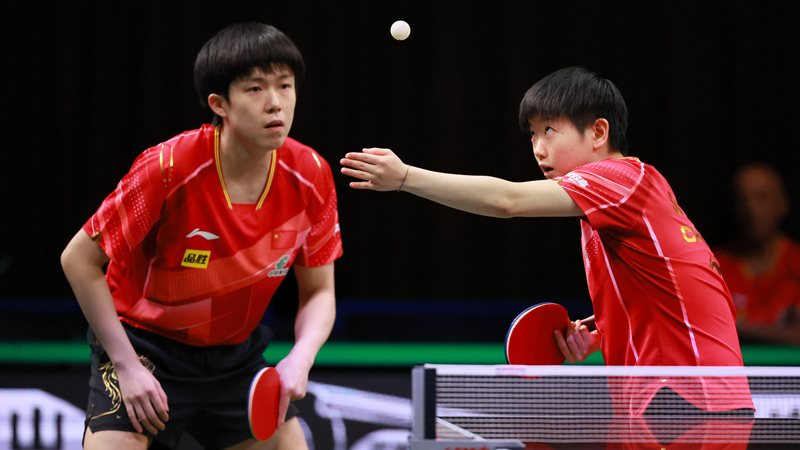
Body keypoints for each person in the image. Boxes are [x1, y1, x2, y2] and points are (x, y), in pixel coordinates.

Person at [341, 67, 753, 414]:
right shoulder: (632, 197)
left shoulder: (619, 180)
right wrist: (600, 334)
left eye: (549, 130)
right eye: (533, 135)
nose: (538, 149)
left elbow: (508, 201)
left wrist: (406, 177)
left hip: (684, 398)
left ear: (598, 132)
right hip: (682, 399)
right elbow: (677, 294)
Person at [60, 23, 342, 450]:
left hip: (235, 357)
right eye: (255, 89)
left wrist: (300, 358)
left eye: (285, 86)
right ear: (219, 104)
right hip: (144, 345)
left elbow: (319, 291)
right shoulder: (168, 168)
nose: (275, 103)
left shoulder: (311, 175)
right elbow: (79, 261)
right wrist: (126, 365)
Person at [714, 163, 800, 345]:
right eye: (742, 199)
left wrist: (738, 328)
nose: (751, 207)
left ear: (783, 203)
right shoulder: (714, 265)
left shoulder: (796, 263)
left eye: (762, 197)